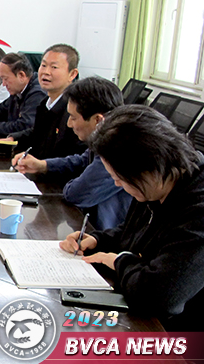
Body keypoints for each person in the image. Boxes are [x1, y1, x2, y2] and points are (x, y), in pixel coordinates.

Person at [59, 105, 204, 338]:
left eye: (120, 178)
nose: (117, 184)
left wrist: (120, 262)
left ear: (148, 168)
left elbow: (160, 296)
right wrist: (98, 240)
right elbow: (135, 231)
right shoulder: (158, 183)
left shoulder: (197, 210)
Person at [13, 77, 132, 229]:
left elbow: (77, 194)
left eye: (73, 117)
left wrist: (73, 182)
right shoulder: (108, 136)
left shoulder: (117, 149)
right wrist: (43, 165)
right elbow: (82, 161)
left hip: (106, 233)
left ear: (98, 120)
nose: (69, 124)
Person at [9, 44, 85, 159]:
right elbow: (38, 132)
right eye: (43, 65)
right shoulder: (45, 103)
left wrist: (43, 165)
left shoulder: (74, 110)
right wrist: (13, 138)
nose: (46, 72)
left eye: (54, 67)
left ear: (72, 74)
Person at [0, 52, 46, 136]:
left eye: (5, 79)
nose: (3, 84)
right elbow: (0, 111)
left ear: (21, 75)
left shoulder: (37, 94)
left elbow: (24, 126)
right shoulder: (18, 91)